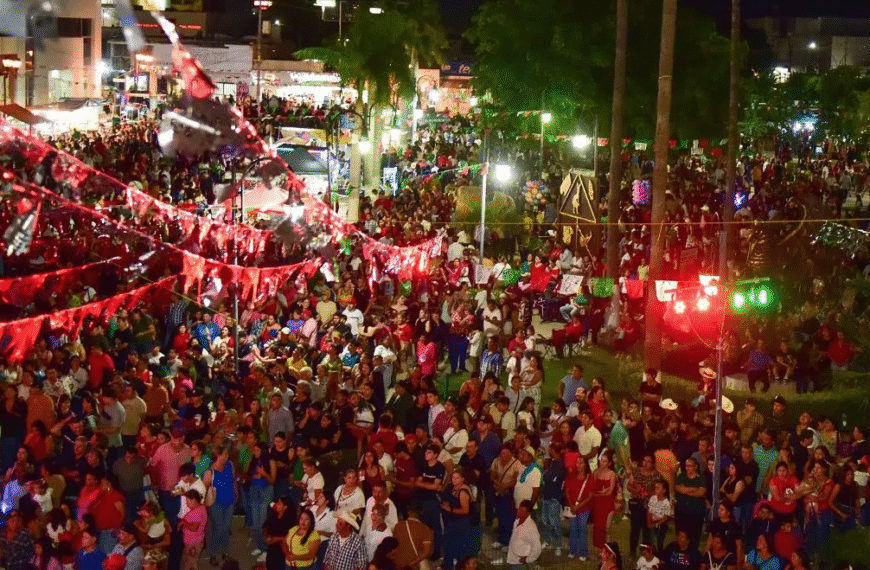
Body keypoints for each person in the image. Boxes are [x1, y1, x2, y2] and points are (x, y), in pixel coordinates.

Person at [440, 469, 473, 570]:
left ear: (462, 479)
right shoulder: (453, 488)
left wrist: (450, 509)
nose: (454, 480)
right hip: (452, 521)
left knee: (456, 546)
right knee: (448, 545)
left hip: (461, 523)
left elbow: (465, 510)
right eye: (453, 478)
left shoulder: (463, 492)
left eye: (457, 478)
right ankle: (448, 565)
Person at [493, 500, 540, 570]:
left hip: (521, 564)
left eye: (522, 511)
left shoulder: (531, 528)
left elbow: (537, 548)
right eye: (519, 509)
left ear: (528, 513)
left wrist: (528, 559)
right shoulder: (517, 521)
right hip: (514, 560)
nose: (519, 512)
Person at [564, 455, 593, 560]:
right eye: (577, 462)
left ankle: (583, 552)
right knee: (573, 528)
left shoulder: (589, 477)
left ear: (585, 465)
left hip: (584, 508)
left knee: (582, 527)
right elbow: (567, 491)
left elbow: (590, 496)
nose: (578, 465)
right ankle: (572, 550)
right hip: (572, 507)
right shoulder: (571, 475)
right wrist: (572, 505)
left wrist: (578, 506)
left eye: (580, 463)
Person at [391, 502, 433, 570]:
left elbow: (392, 547)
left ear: (409, 512)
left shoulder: (398, 526)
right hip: (413, 567)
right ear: (421, 513)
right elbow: (427, 552)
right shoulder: (425, 529)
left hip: (398, 565)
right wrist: (411, 565)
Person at [592, 450, 618, 552]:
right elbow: (593, 489)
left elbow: (610, 492)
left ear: (609, 463)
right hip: (597, 502)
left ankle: (608, 549)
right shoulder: (596, 472)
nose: (602, 463)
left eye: (604, 461)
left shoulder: (612, 474)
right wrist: (599, 493)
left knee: (606, 528)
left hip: (607, 502)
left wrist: (600, 493)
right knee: (598, 527)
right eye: (601, 460)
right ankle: (600, 549)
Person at [177, 489, 206, 570]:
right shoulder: (201, 507)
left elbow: (194, 528)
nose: (186, 503)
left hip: (192, 543)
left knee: (189, 565)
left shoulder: (196, 512)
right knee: (192, 562)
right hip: (197, 540)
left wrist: (184, 523)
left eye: (187, 501)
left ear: (193, 500)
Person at [263, 498, 295, 570]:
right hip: (272, 549)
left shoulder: (289, 521)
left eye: (280, 503)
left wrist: (276, 539)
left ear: (285, 507)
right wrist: (266, 536)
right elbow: (265, 526)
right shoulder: (273, 516)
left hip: (282, 551)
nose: (276, 504)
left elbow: (290, 536)